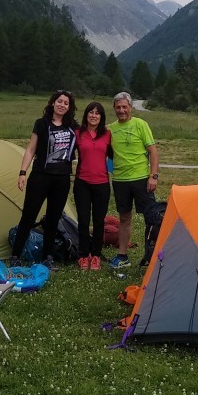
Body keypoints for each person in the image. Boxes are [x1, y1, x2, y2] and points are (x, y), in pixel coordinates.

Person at [11, 90, 78, 270]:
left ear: (70, 107)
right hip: (40, 176)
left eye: (66, 103)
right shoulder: (41, 124)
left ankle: (47, 257)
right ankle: (16, 255)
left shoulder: (74, 127)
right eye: (59, 101)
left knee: (53, 218)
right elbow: (31, 149)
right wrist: (22, 172)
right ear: (52, 103)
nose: (62, 105)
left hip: (62, 178)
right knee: (29, 215)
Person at [107, 92, 159, 269]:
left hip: (142, 179)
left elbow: (153, 151)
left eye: (124, 107)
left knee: (151, 217)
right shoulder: (110, 129)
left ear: (130, 108)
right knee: (124, 218)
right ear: (114, 109)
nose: (121, 110)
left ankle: (152, 256)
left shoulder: (140, 125)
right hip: (120, 180)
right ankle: (122, 255)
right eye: (118, 107)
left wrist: (153, 176)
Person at [73, 101, 112, 271]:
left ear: (101, 117)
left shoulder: (108, 134)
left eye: (97, 113)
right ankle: (83, 255)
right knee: (83, 220)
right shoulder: (78, 133)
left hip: (102, 184)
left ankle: (95, 255)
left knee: (98, 221)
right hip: (82, 183)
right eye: (91, 112)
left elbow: (115, 155)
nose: (94, 115)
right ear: (86, 115)